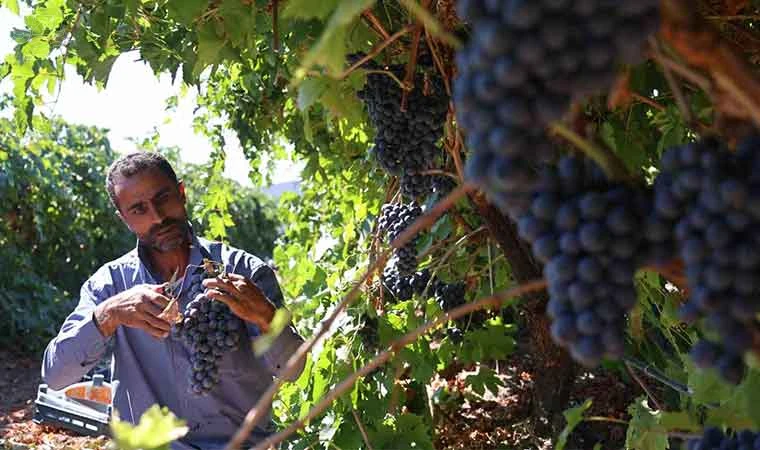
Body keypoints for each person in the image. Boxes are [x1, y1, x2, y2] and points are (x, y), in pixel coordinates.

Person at [41, 152, 305, 449]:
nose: (157, 217)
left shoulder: (245, 272)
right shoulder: (109, 286)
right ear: (124, 218)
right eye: (139, 209)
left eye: (163, 198)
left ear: (181, 193)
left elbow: (294, 370)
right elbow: (56, 376)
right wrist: (108, 315)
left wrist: (265, 315)